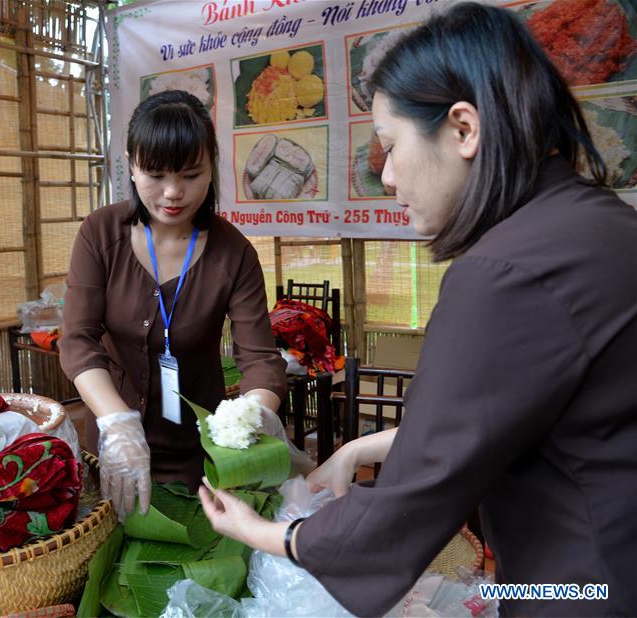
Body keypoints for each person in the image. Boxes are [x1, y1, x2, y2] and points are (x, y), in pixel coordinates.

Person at [199, 3, 637, 616]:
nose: (389, 178)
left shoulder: (502, 272)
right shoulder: (602, 225)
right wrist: (359, 449)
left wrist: (268, 534)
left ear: (464, 130)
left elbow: (414, 497)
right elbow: (509, 417)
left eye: (391, 145)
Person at [59, 90, 302, 521]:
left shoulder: (234, 253)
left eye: (191, 175)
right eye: (155, 174)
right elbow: (78, 340)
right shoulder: (100, 234)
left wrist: (254, 415)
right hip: (116, 451)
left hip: (203, 454)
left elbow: (261, 360)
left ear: (211, 168)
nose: (173, 193)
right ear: (132, 164)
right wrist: (118, 424)